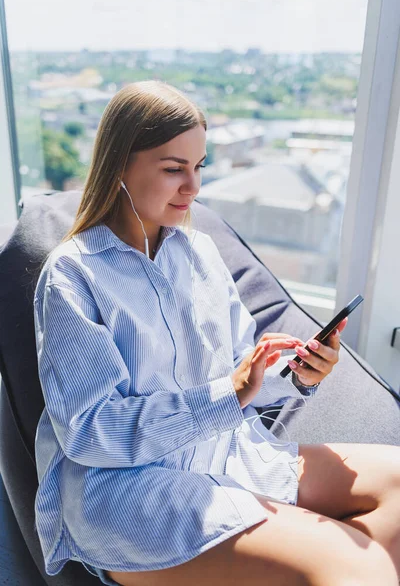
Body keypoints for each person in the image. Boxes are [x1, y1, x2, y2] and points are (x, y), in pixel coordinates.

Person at [33, 81, 400, 586]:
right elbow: (88, 432)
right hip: (128, 495)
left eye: (199, 166)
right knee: (354, 564)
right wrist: (225, 393)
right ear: (119, 165)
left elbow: (242, 379)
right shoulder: (74, 277)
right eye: (173, 169)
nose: (194, 188)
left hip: (225, 455)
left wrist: (293, 375)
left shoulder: (199, 253)